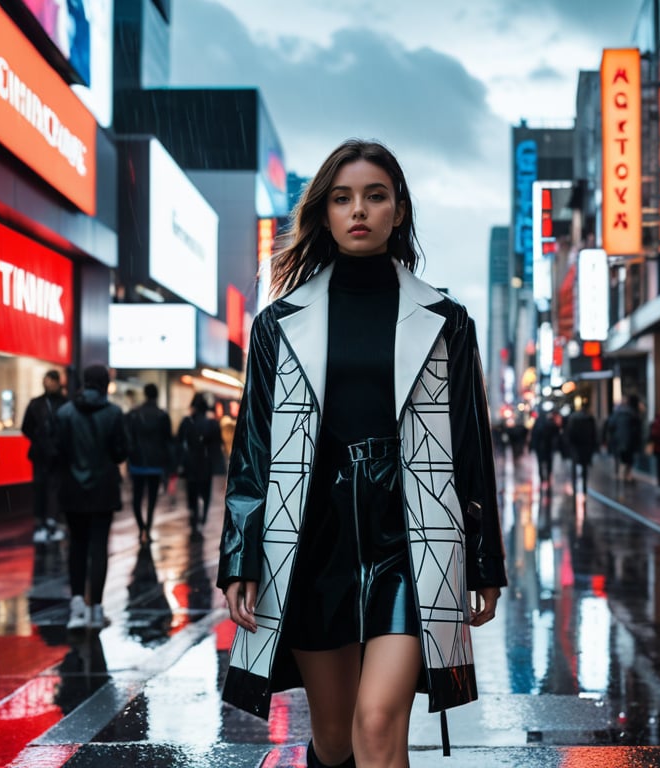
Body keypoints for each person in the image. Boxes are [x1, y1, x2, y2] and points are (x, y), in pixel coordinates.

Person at [218, 139, 506, 768]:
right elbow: (254, 450)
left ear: (398, 210)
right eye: (343, 198)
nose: (359, 211)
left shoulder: (446, 320)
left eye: (376, 196)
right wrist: (239, 554)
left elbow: (470, 446)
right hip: (311, 539)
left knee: (378, 725)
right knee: (334, 737)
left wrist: (484, 561)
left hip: (412, 536)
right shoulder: (278, 322)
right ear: (324, 213)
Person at [55, 364, 129, 630]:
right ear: (104, 383)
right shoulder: (114, 414)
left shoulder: (64, 413)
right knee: (98, 548)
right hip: (103, 491)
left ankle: (76, 607)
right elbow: (121, 453)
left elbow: (57, 452)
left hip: (73, 491)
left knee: (77, 546)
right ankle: (96, 610)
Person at [22, 370, 68, 543]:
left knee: (54, 488)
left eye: (49, 381)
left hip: (57, 454)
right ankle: (42, 522)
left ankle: (52, 521)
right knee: (40, 487)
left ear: (57, 382)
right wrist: (39, 439)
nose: (47, 384)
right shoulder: (36, 404)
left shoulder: (64, 404)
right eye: (45, 381)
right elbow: (26, 427)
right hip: (41, 453)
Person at [125, 383, 173, 544]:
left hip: (137, 462)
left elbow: (128, 437)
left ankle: (141, 528)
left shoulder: (134, 414)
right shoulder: (162, 415)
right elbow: (168, 441)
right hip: (155, 463)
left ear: (145, 394)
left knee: (137, 497)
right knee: (152, 499)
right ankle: (148, 528)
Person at [177, 392, 224, 542]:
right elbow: (217, 446)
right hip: (206, 463)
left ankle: (194, 517)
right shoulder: (211, 424)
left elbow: (179, 442)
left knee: (192, 493)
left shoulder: (187, 422)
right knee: (205, 492)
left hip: (190, 464)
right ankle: (202, 518)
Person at [605, 394, 643, 482]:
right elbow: (637, 430)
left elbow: (610, 426)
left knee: (620, 457)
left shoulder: (617, 413)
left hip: (618, 440)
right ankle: (627, 474)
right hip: (630, 440)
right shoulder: (634, 413)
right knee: (629, 458)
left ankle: (621, 474)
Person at [563, 403, 599, 494]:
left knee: (575, 465)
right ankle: (584, 487)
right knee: (584, 467)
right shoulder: (589, 418)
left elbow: (569, 433)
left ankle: (575, 486)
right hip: (586, 445)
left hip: (576, 445)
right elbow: (593, 434)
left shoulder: (573, 418)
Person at [529, 410, 561, 489]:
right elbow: (556, 433)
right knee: (549, 463)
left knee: (540, 463)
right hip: (548, 448)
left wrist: (533, 446)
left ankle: (542, 479)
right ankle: (548, 477)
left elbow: (534, 437)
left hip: (540, 448)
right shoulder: (549, 424)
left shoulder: (537, 424)